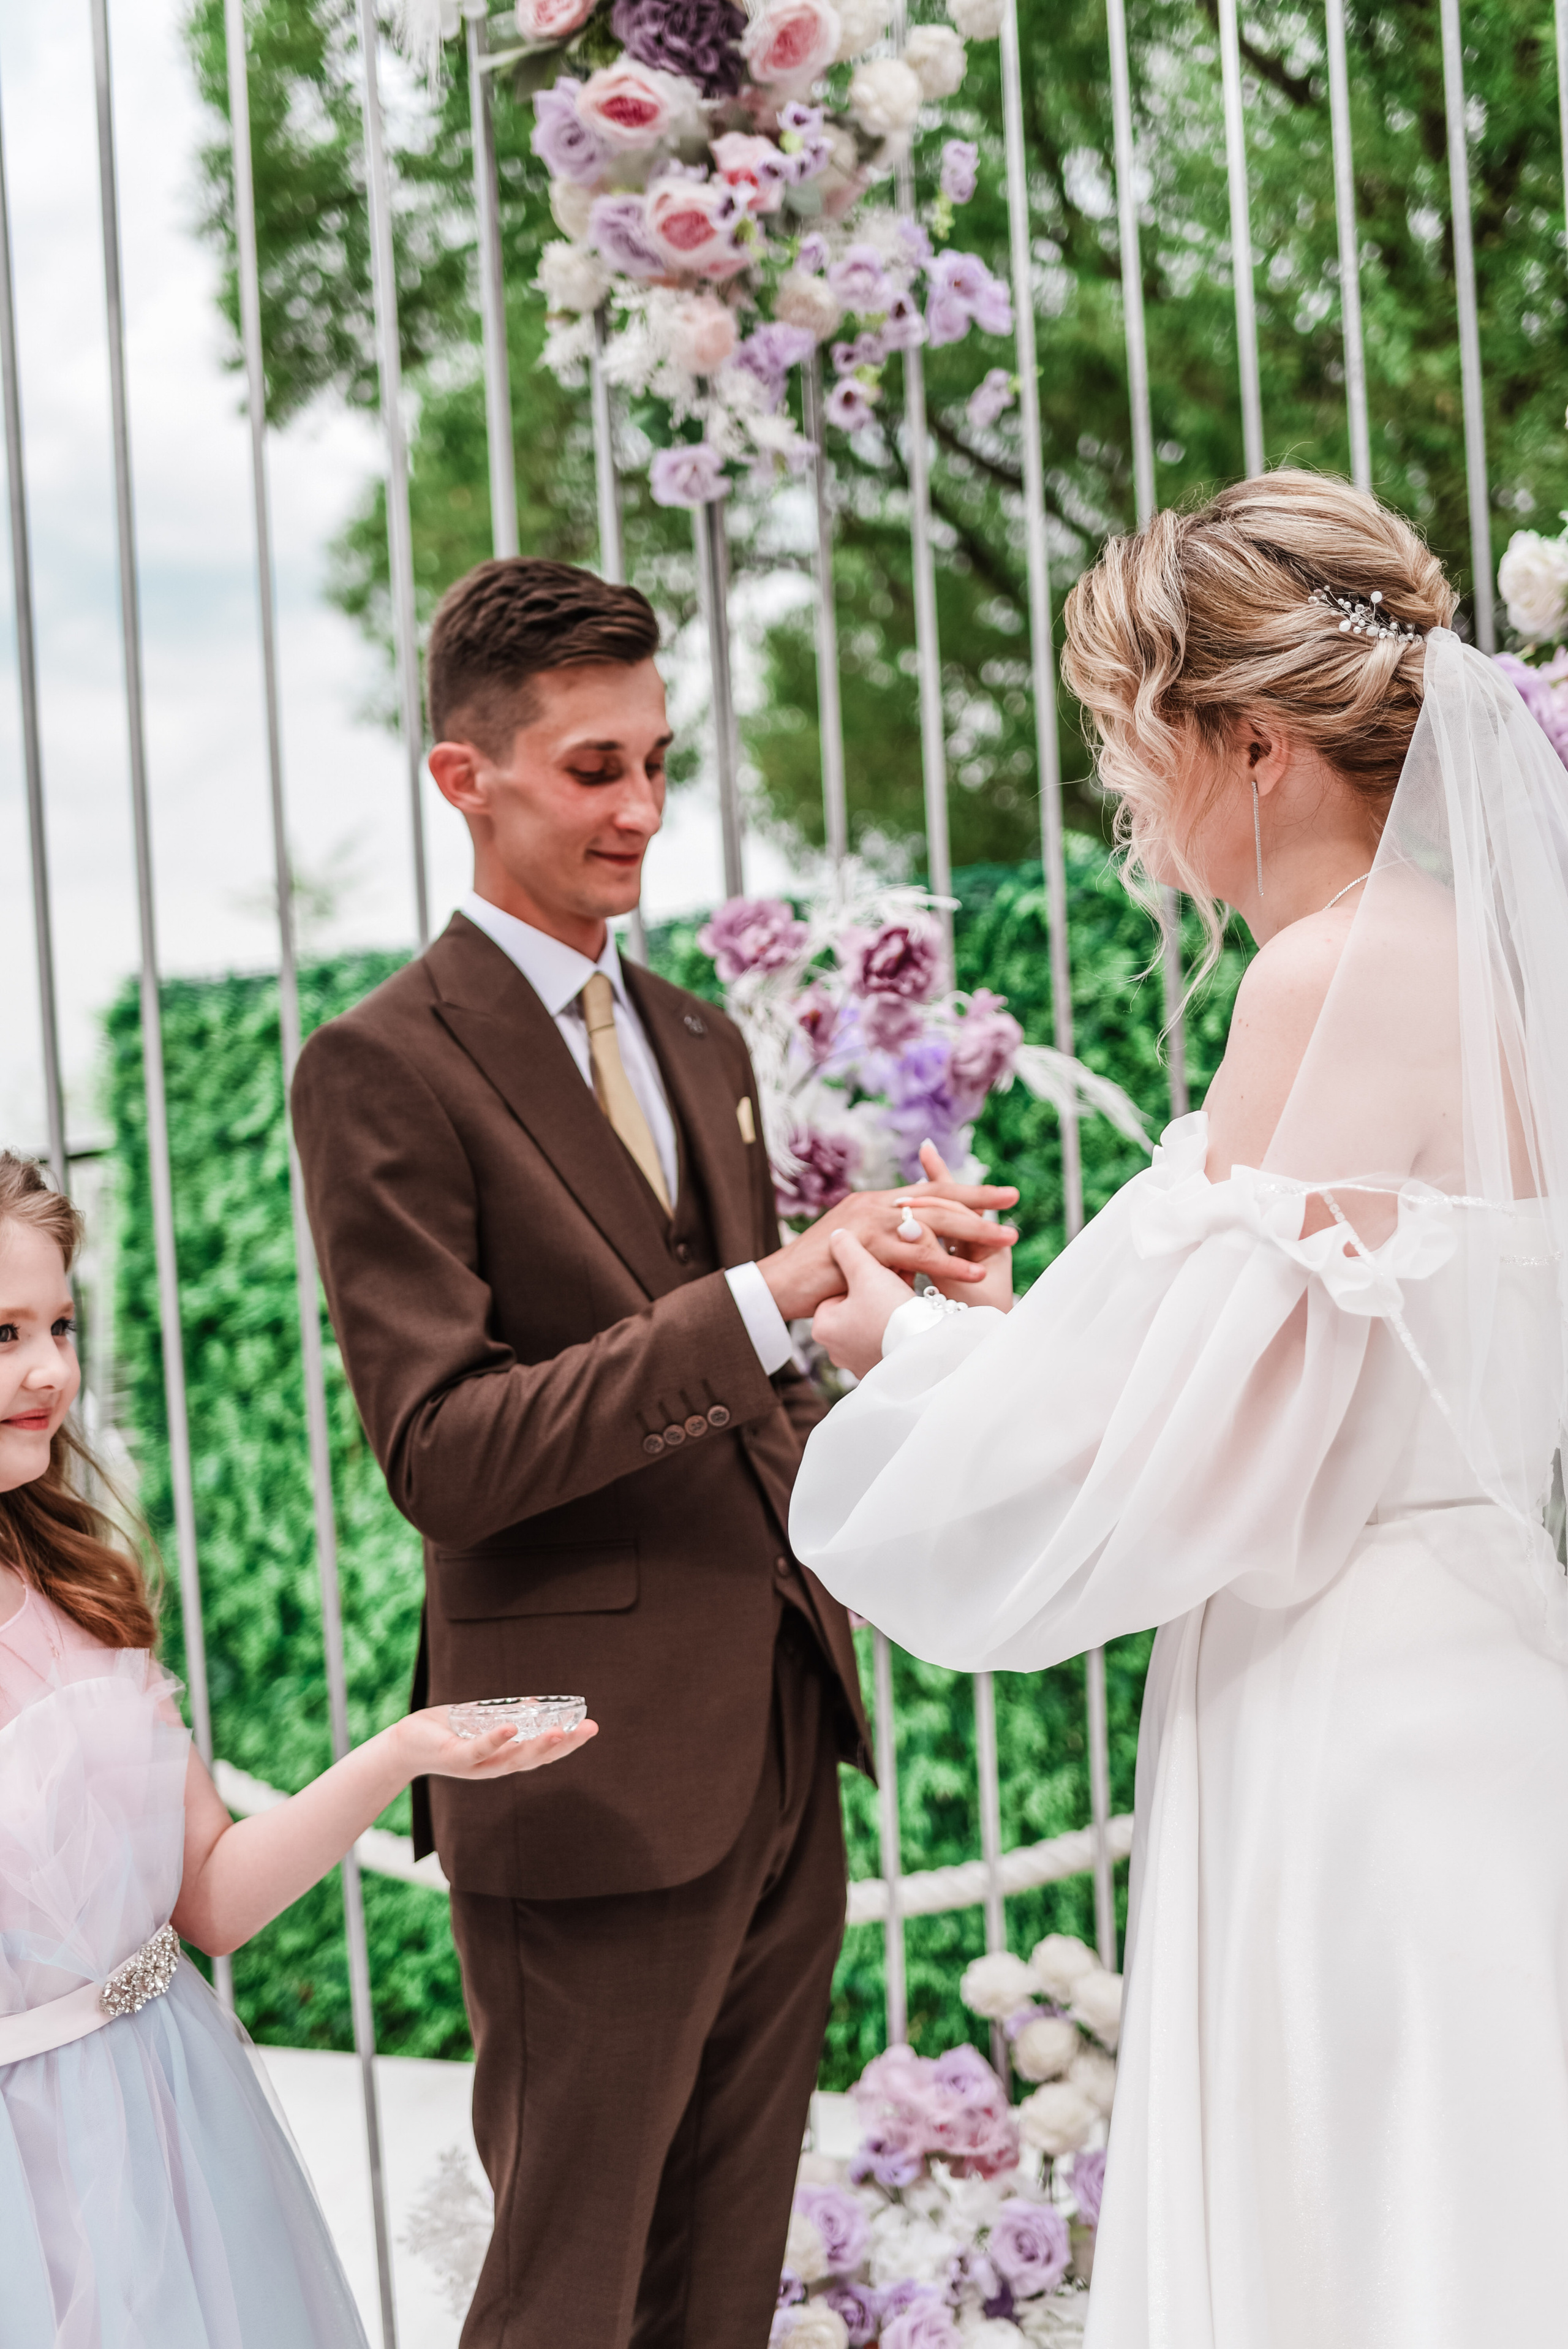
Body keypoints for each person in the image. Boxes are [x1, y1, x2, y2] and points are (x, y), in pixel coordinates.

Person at [790, 471, 1568, 2347]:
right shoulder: (1487, 968)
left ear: (1256, 745)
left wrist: (908, 1348)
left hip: (1347, 1706)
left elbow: (1190, 1458)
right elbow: (1282, 1362)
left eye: (1139, 739)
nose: (1125, 793)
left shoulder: (1328, 972)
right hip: (1470, 1664)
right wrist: (1013, 1337)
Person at [289, 556, 1019, 2349]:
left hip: (778, 1727)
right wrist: (773, 1289)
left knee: (721, 2289)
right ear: (464, 778)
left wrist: (895, 1348)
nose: (644, 809)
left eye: (659, 762)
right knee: (570, 2292)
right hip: (580, 1767)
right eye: (594, 768)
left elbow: (735, 1392)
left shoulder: (699, 1038)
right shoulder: (378, 1065)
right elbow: (446, 1452)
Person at [0, 1151, 595, 2343]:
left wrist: (402, 1752)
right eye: (1, 1335)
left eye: (61, 1324)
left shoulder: (79, 1588)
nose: (52, 1370)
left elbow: (212, 1900)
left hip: (176, 2121)